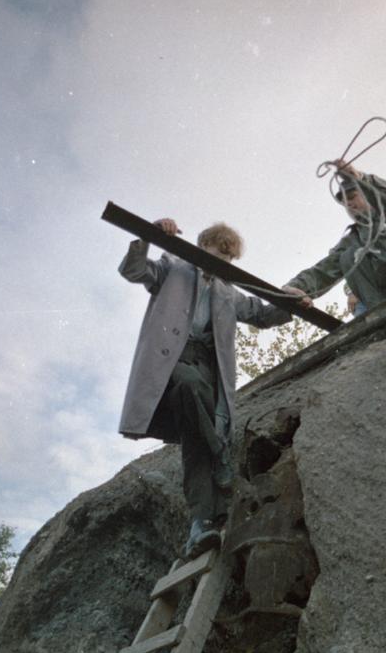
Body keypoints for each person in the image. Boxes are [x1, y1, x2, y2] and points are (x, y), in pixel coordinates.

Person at [118, 219, 292, 559]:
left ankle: (200, 524)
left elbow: (262, 313)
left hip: (208, 368)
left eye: (228, 259)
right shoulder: (175, 268)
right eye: (217, 252)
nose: (221, 262)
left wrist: (294, 304)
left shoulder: (229, 292)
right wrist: (148, 236)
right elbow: (134, 270)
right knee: (187, 385)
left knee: (195, 443)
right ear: (202, 247)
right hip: (174, 360)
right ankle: (221, 455)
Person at [281, 160, 386, 315]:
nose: (349, 204)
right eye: (345, 201)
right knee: (347, 257)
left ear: (368, 195)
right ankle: (383, 314)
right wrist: (295, 287)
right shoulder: (353, 239)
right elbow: (323, 271)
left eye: (352, 197)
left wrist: (360, 178)